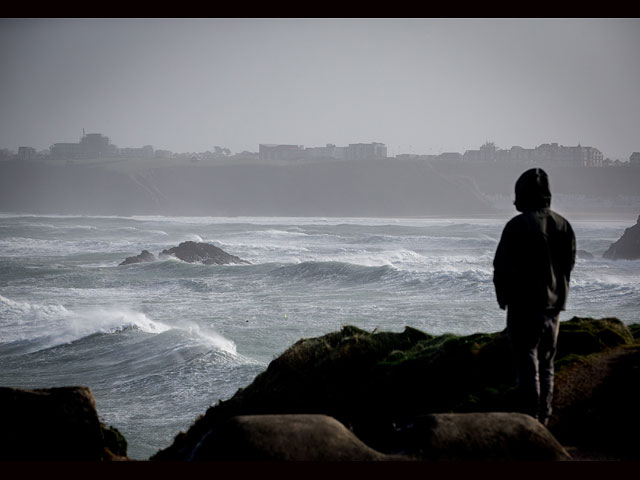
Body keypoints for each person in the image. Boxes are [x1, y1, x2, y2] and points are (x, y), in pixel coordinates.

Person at [493, 168, 576, 426]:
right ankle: (545, 417)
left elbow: (501, 267)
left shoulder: (516, 226)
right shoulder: (563, 225)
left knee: (527, 361)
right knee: (547, 362)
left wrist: (502, 297)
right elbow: (568, 264)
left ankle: (530, 419)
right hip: (553, 305)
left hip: (522, 305)